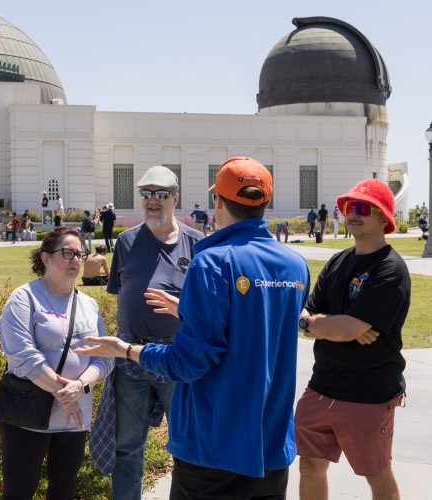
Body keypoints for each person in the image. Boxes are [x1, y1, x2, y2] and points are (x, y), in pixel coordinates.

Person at [77, 157, 309, 500]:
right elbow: (250, 325)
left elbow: (188, 361)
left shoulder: (212, 260)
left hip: (214, 446)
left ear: (218, 201)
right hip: (271, 444)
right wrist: (187, 307)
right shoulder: (294, 265)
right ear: (265, 202)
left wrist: (125, 350)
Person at [87, 165, 203, 500]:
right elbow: (120, 291)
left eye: (161, 194)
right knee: (127, 447)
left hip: (177, 360)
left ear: (175, 198)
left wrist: (181, 305)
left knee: (186, 446)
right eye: (146, 194)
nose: (153, 201)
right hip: (130, 359)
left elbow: (211, 307)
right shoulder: (125, 241)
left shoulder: (197, 244)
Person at [294, 179, 411, 500]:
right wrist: (322, 323)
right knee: (310, 466)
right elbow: (307, 315)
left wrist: (332, 325)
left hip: (368, 395)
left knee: (376, 473)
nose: (352, 214)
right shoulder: (337, 262)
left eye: (362, 208)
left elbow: (345, 329)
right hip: (321, 387)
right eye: (348, 207)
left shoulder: (391, 269)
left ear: (383, 216)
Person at [0, 227, 114, 499]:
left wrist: (81, 386)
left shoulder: (88, 304)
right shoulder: (24, 298)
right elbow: (24, 356)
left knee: (64, 488)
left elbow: (104, 357)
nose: (75, 260)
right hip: (28, 415)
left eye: (79, 254)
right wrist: (65, 394)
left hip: (75, 417)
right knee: (19, 491)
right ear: (46, 258)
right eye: (67, 252)